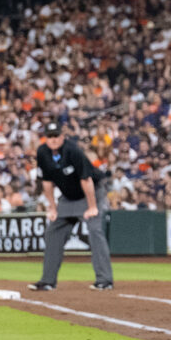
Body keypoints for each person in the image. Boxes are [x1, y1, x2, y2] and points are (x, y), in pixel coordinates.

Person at [29, 122, 113, 291]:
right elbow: (46, 182)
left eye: (56, 136)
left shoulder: (72, 150)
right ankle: (47, 281)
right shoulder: (42, 152)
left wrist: (92, 207)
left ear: (62, 136)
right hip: (68, 197)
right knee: (53, 232)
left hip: (91, 192)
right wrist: (52, 208)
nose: (53, 139)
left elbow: (86, 179)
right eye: (49, 136)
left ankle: (104, 280)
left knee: (95, 230)